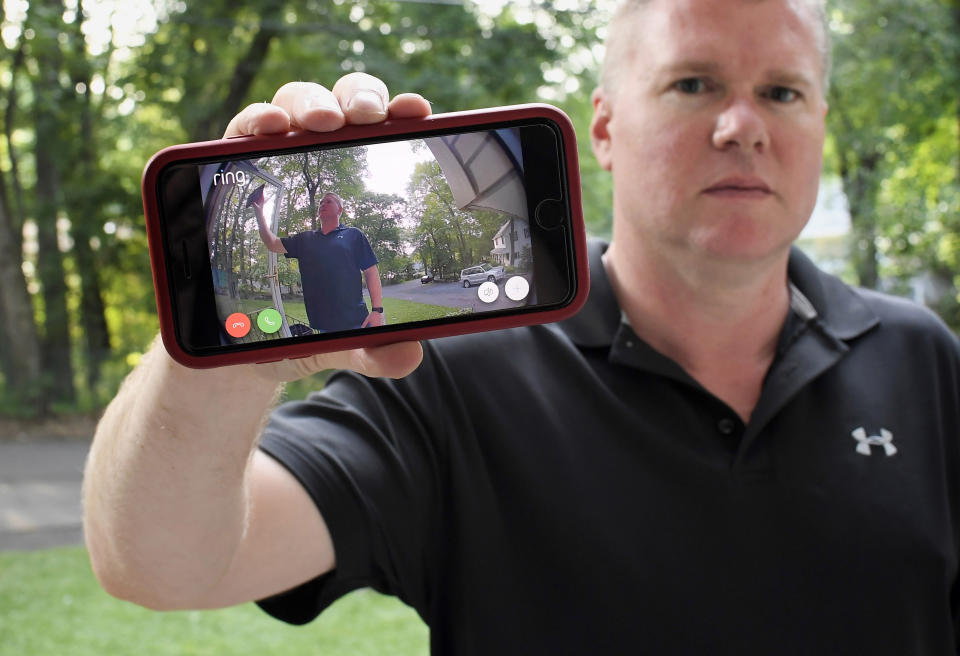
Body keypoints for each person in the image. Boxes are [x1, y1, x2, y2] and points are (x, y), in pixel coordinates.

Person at [83, 0, 960, 653]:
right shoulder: (452, 380)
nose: (741, 127)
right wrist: (222, 365)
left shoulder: (921, 359)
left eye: (783, 91)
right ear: (606, 128)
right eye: (694, 84)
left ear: (819, 125)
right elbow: (164, 564)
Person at [251, 188, 386, 331]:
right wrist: (259, 213)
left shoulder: (353, 235)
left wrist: (377, 311)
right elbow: (272, 244)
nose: (323, 204)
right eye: (321, 202)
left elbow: (370, 271)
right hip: (324, 326)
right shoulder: (305, 239)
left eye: (329, 201)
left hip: (358, 322)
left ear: (340, 210)